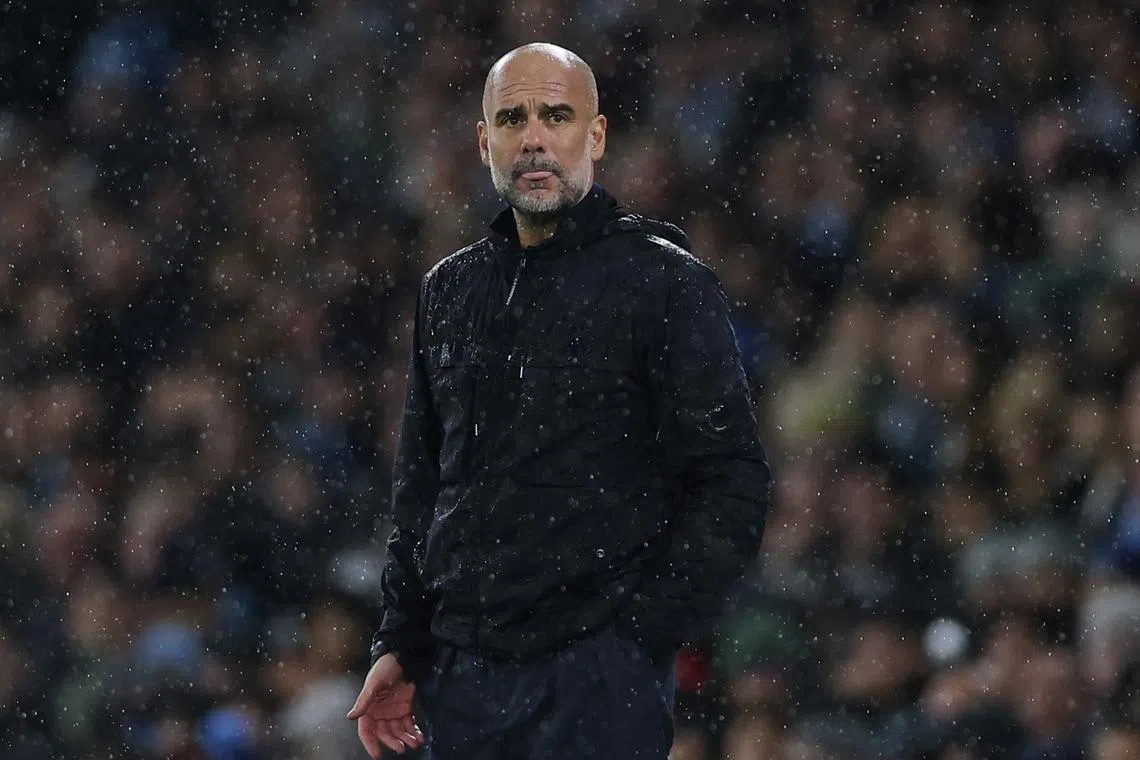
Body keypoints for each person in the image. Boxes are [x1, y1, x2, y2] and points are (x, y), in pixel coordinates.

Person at [347, 42, 771, 759]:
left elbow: (731, 482)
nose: (533, 138)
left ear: (595, 135)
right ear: (484, 142)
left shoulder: (663, 283)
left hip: (594, 679)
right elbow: (422, 491)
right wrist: (402, 641)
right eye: (512, 119)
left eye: (556, 115)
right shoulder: (448, 290)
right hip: (462, 680)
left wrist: (635, 641)